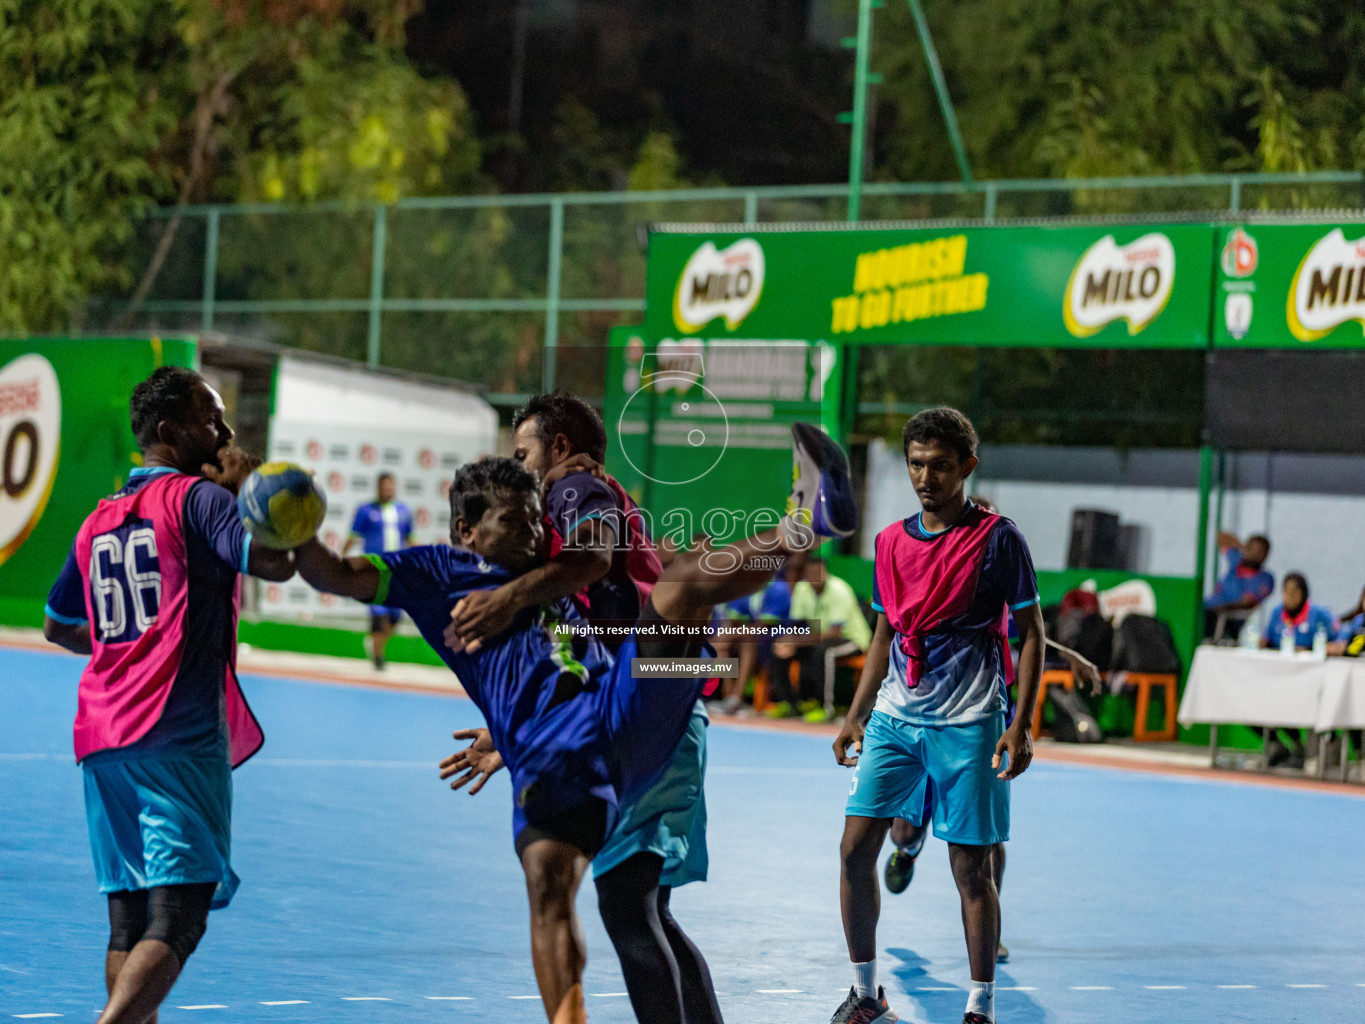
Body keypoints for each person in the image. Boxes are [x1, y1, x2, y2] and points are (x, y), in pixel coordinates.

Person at [295, 423, 856, 1024]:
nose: (536, 531)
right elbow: (335, 574)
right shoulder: (435, 572)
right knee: (556, 890)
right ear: (466, 531)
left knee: (683, 585)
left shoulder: (557, 554)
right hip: (550, 751)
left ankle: (808, 522)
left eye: (537, 517)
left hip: (619, 709)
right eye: (516, 521)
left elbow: (597, 556)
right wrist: (289, 529)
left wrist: (564, 514)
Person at [442, 391, 719, 1024]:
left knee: (626, 909)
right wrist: (510, 732)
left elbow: (592, 561)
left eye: (523, 453)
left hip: (647, 718)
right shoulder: (594, 498)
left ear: (560, 449)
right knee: (647, 911)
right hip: (661, 708)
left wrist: (508, 598)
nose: (518, 469)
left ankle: (798, 523)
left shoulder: (570, 491)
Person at [41, 366, 295, 1024]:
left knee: (127, 922)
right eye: (211, 418)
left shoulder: (99, 518)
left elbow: (56, 624)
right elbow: (274, 562)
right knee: (179, 919)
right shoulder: (198, 500)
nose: (226, 429)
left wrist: (124, 651)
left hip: (101, 735)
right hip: (174, 733)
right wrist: (258, 497)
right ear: (170, 432)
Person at [828, 408, 1044, 1024]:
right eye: (917, 464)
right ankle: (866, 996)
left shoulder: (999, 538)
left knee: (971, 868)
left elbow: (1033, 635)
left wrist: (1020, 722)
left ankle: (980, 1009)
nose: (927, 477)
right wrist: (855, 715)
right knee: (852, 849)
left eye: (941, 466)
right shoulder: (890, 542)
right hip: (897, 716)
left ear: (967, 467)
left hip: (971, 720)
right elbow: (882, 635)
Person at [878, 496, 1103, 969]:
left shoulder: (997, 564)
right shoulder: (941, 580)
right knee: (902, 828)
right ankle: (910, 848)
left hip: (982, 716)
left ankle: (991, 933)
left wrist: (1071, 659)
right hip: (925, 713)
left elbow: (1029, 629)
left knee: (987, 840)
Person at [766, 556, 872, 723]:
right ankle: (791, 704)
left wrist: (797, 642)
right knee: (778, 649)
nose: (815, 576)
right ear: (806, 575)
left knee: (824, 652)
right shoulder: (802, 589)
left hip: (852, 639)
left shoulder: (839, 590)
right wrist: (788, 642)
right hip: (818, 639)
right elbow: (797, 625)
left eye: (819, 572)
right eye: (811, 572)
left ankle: (826, 707)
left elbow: (834, 633)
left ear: (826, 573)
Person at [1257, 572, 1338, 769]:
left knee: (1298, 701)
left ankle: (1315, 752)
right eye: (1285, 591)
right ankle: (1282, 746)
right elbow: (1266, 641)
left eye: (1295, 592)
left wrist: (1311, 649)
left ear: (1304, 594)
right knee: (1257, 697)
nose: (1289, 596)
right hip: (1280, 677)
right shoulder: (1278, 613)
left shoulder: (1318, 614)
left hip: (1312, 680)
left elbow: (1338, 641)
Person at [343, 472, 415, 669]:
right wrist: (341, 558)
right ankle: (378, 659)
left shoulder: (403, 512)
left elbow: (411, 540)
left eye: (390, 486)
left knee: (394, 617)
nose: (388, 490)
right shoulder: (366, 511)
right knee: (378, 614)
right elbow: (353, 536)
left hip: (396, 572)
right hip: (373, 570)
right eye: (384, 486)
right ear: (378, 488)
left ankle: (376, 643)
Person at [1203, 531, 1273, 639]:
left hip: (1224, 620)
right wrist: (1242, 546)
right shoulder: (1236, 561)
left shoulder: (1265, 579)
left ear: (1266, 555)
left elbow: (1247, 603)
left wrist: (1218, 608)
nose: (1254, 554)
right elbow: (1221, 537)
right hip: (1206, 608)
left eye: (1259, 551)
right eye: (1251, 549)